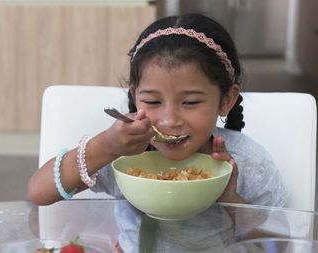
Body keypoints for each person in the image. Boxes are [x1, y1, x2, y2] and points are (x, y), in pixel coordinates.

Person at [28, 12, 287, 220]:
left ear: (226, 100)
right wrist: (106, 146)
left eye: (190, 102)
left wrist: (231, 199)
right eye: (152, 101)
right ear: (135, 95)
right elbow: (39, 192)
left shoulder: (250, 165)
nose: (169, 119)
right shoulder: (126, 156)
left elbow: (279, 243)